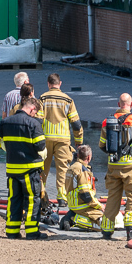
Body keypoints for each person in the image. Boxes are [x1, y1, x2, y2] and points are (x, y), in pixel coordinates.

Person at [0, 93, 49, 238]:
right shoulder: (33, 124)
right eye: (36, 112)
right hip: (30, 170)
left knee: (14, 200)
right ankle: (32, 233)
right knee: (32, 201)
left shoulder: (6, 122)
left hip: (12, 170)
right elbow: (40, 146)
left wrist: (3, 146)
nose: (35, 115)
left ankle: (12, 232)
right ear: (32, 109)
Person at [95, 92, 132, 240]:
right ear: (131, 104)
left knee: (113, 197)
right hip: (131, 167)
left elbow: (102, 145)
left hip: (113, 166)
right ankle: (131, 229)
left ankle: (106, 230)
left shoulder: (107, 121)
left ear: (118, 104)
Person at [38, 73, 79, 204]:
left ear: (48, 84)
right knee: (62, 168)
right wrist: (79, 141)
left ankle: (41, 193)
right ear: (60, 84)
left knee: (43, 167)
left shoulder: (42, 98)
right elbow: (76, 123)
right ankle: (61, 197)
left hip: (45, 139)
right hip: (63, 139)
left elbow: (38, 121)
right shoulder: (68, 100)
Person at [63, 143, 105, 232]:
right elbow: (85, 195)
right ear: (89, 157)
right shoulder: (82, 170)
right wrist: (100, 206)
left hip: (73, 204)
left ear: (78, 155)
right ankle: (74, 219)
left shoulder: (72, 167)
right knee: (106, 222)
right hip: (81, 204)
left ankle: (71, 216)